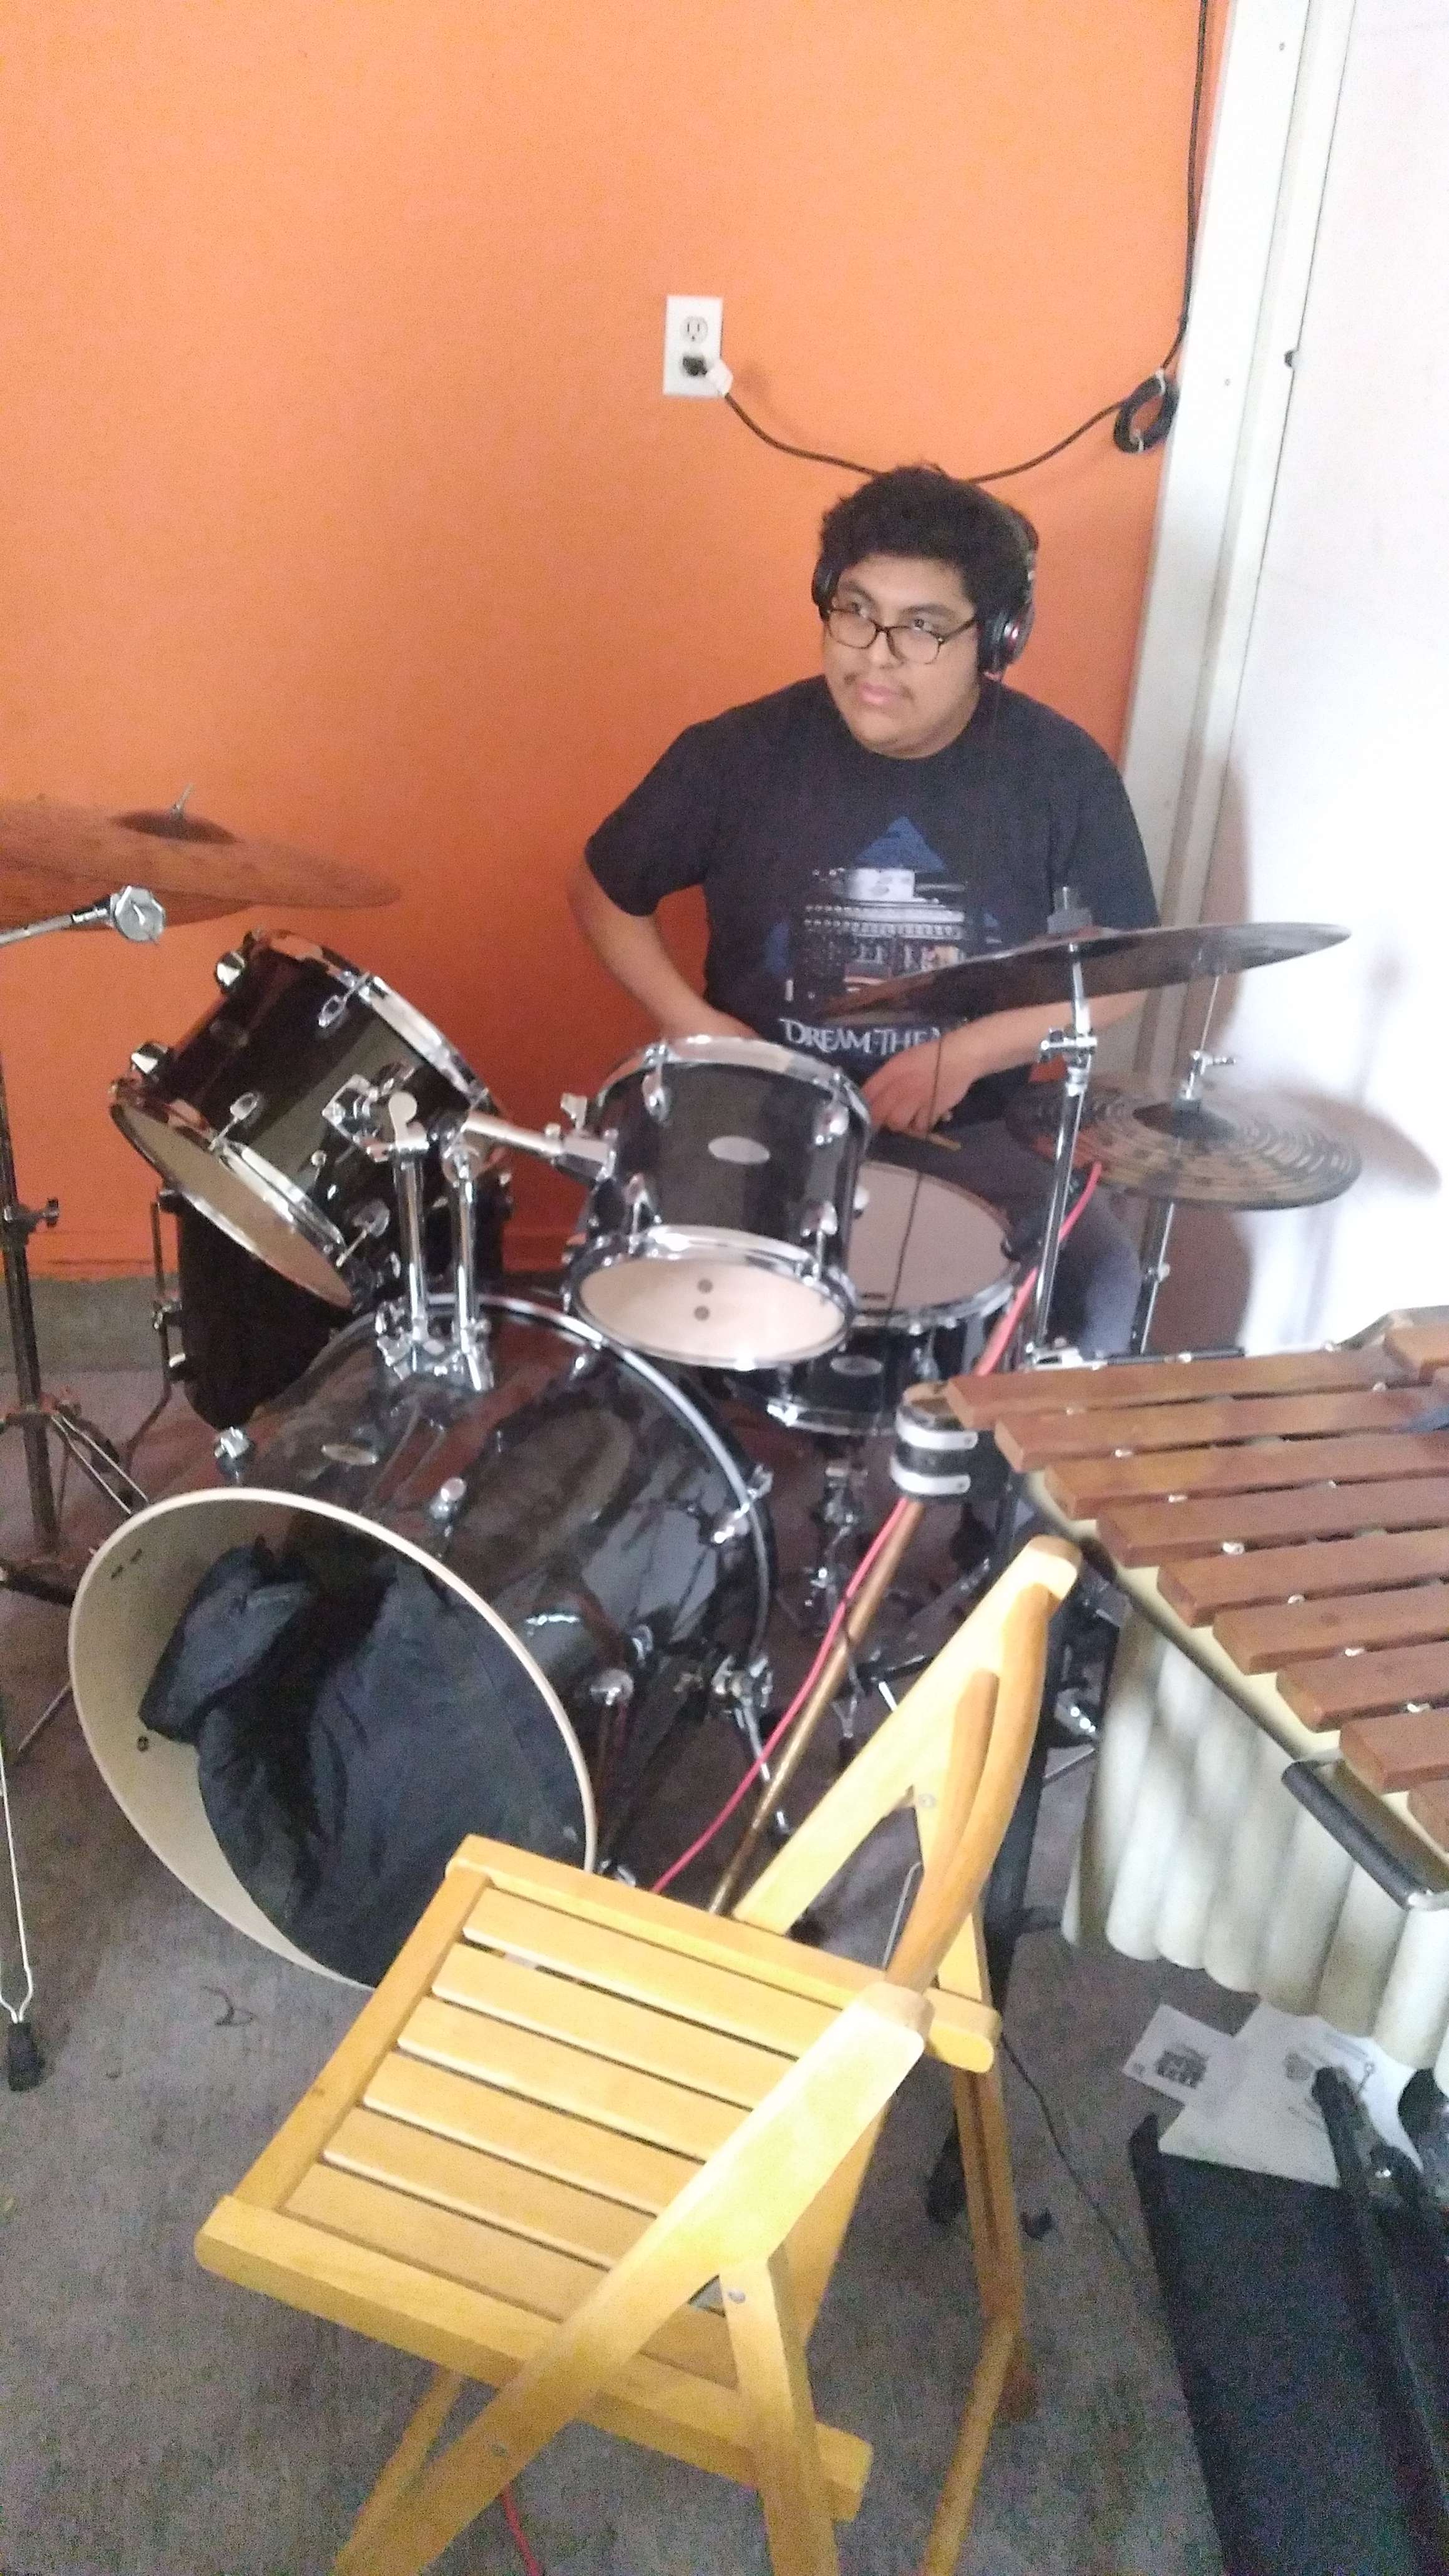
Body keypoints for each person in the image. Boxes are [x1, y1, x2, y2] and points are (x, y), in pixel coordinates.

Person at [568, 464, 1157, 1351]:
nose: (875, 655)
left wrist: (965, 1055)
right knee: (647, 1276)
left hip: (971, 1133)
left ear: (994, 640)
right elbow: (601, 892)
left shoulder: (1059, 775)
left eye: (921, 627)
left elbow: (1124, 973)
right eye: (854, 611)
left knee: (1101, 1279)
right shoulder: (735, 755)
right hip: (763, 1119)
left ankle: (1009, 1487)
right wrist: (693, 1022)